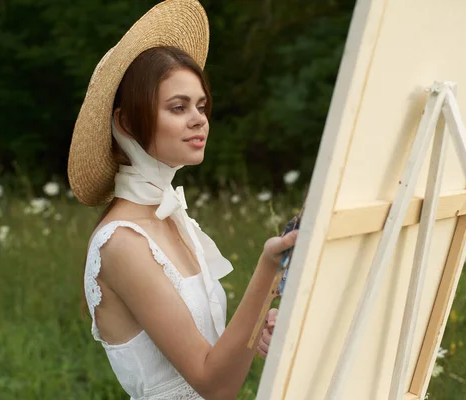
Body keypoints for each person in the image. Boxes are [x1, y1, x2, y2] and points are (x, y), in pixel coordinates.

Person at [67, 1, 295, 399]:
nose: (199, 119)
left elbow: (213, 354)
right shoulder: (121, 243)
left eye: (201, 106)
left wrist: (257, 326)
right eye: (178, 107)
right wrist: (269, 267)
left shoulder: (174, 218)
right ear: (125, 123)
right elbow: (213, 385)